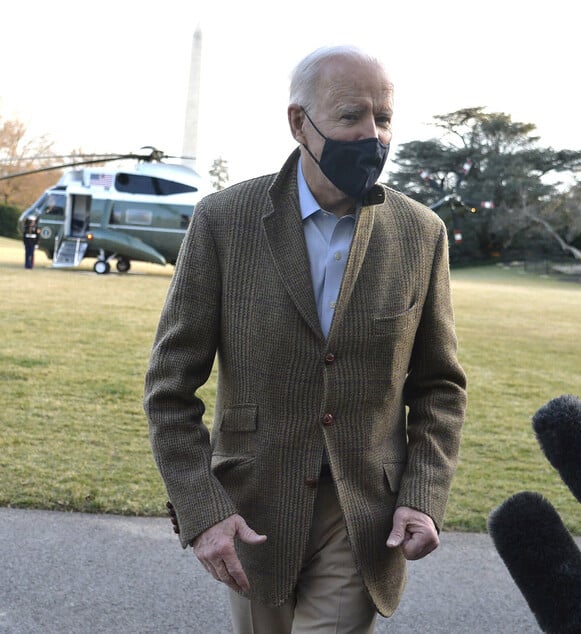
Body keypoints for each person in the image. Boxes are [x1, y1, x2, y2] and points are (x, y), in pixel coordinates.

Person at [143, 45, 467, 633]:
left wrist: (423, 493)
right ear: (300, 123)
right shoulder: (224, 221)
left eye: (384, 118)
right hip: (253, 510)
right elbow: (170, 389)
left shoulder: (422, 234)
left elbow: (440, 387)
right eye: (351, 117)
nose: (373, 135)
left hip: (365, 514)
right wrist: (202, 511)